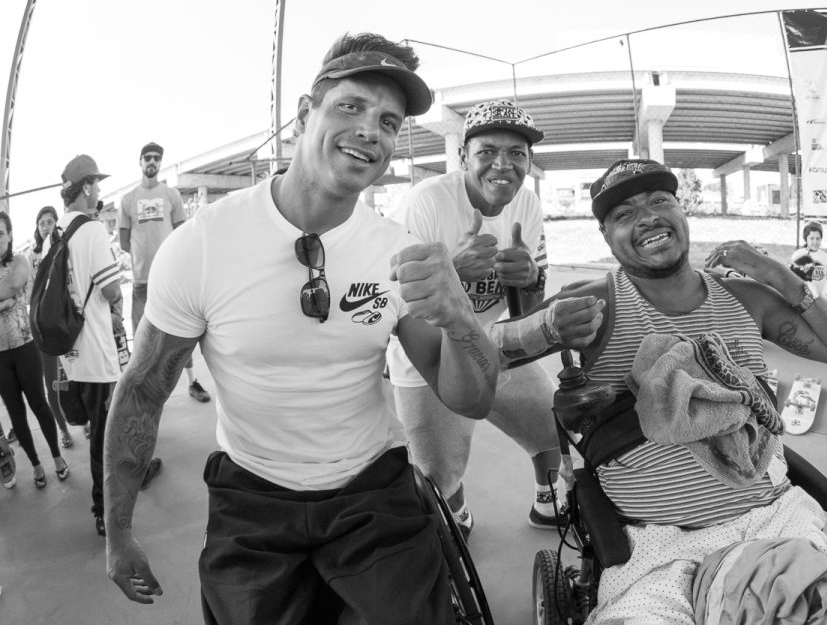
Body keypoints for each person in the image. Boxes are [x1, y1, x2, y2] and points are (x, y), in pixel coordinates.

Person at [104, 33, 499, 624]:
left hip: (372, 490)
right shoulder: (203, 245)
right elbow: (142, 390)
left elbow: (469, 398)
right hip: (253, 494)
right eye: (351, 106)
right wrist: (119, 532)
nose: (370, 131)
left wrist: (461, 318)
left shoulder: (399, 252)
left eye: (388, 122)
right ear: (303, 114)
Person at [492, 159, 827, 624]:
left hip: (769, 523)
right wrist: (537, 308)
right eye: (624, 214)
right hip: (654, 549)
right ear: (606, 237)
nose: (647, 217)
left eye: (659, 200)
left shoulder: (746, 298)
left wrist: (774, 273)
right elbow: (489, 358)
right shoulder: (595, 303)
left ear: (681, 211)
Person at [386, 98, 561, 537]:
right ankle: (457, 511)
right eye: (487, 151)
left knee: (554, 425)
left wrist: (529, 279)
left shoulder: (527, 205)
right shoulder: (426, 203)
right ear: (464, 155)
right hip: (428, 353)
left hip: (492, 340)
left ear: (529, 162)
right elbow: (394, 301)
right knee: (438, 476)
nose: (503, 164)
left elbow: (526, 315)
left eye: (516, 153)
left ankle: (549, 502)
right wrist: (452, 273)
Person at [47, 155, 123, 533]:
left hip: (70, 353)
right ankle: (104, 510)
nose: (99, 190)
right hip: (97, 354)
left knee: (98, 429)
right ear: (87, 186)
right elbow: (111, 290)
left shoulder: (56, 232)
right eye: (96, 183)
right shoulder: (92, 230)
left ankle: (120, 484)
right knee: (105, 438)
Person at [119, 141, 211, 405]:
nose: (152, 161)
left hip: (170, 279)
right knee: (142, 338)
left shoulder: (171, 196)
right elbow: (124, 242)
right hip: (141, 282)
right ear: (140, 162)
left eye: (156, 158)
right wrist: (144, 257)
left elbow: (183, 235)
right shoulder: (127, 200)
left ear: (160, 163)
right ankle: (142, 390)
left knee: (182, 332)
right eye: (147, 157)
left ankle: (192, 381)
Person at [0, 212, 70, 489]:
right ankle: (36, 465)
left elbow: (14, 284)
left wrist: (6, 296)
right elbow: (6, 291)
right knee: (16, 414)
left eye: (1, 233)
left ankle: (56, 457)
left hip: (26, 348)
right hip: (0, 357)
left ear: (9, 235)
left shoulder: (18, 261)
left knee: (39, 404)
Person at [25, 206, 73, 448]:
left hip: (66, 324)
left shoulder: (65, 248)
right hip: (43, 328)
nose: (46, 226)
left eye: (50, 222)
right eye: (41, 223)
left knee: (74, 376)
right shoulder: (31, 257)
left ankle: (82, 420)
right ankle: (63, 429)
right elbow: (30, 295)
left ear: (56, 224)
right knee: (51, 384)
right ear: (37, 227)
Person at [790, 221, 827, 295]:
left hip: (821, 297)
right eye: (812, 238)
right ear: (806, 238)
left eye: (818, 238)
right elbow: (791, 277)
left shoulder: (825, 257)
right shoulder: (798, 254)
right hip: (802, 295)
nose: (815, 241)